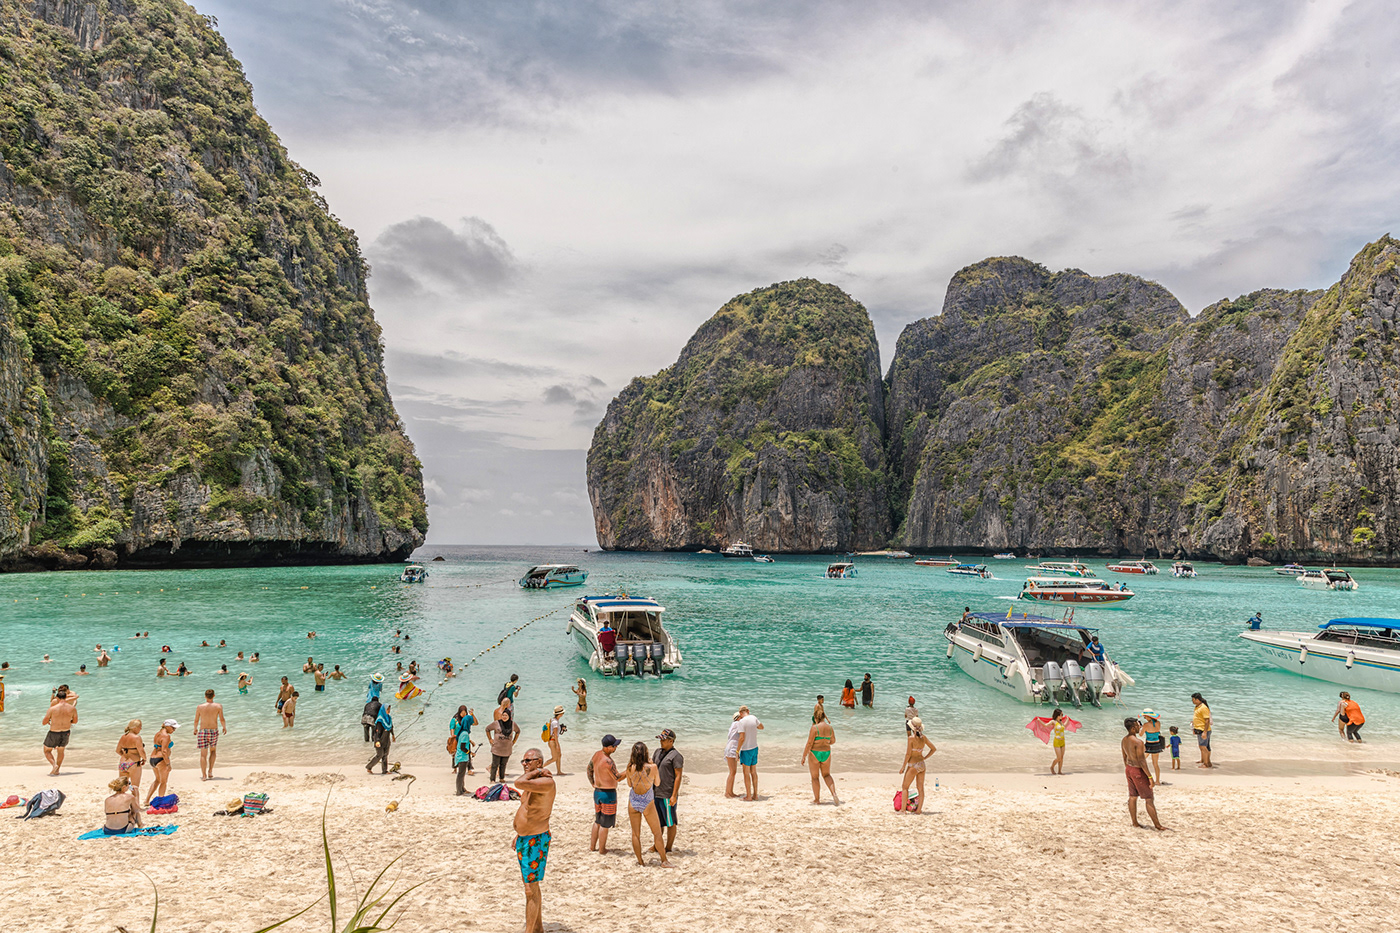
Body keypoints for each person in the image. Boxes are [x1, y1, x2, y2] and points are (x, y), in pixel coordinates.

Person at [513, 748, 557, 933]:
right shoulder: (534, 782)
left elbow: (517, 782)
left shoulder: (545, 782)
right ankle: (537, 928)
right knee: (530, 887)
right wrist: (519, 834)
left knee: (530, 890)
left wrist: (538, 771)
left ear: (539, 762)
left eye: (528, 761)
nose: (524, 764)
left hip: (535, 840)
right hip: (525, 839)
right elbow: (528, 809)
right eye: (523, 761)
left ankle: (530, 931)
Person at [623, 741, 670, 867]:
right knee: (657, 833)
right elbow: (657, 783)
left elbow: (629, 784)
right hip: (647, 801)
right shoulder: (653, 767)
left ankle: (640, 861)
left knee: (635, 834)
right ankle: (664, 860)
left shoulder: (629, 767)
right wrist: (650, 764)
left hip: (633, 800)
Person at [1122, 717, 1165, 830]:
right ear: (1132, 728)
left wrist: (1128, 769)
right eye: (1137, 725)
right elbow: (1142, 761)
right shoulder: (1139, 742)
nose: (1139, 726)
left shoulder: (1124, 740)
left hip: (1129, 769)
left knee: (1132, 796)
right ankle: (1158, 825)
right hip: (1137, 770)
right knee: (1149, 798)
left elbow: (1124, 757)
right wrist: (1150, 776)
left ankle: (1135, 822)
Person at [652, 729, 684, 850]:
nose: (661, 741)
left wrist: (674, 795)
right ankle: (656, 845)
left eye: (664, 739)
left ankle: (668, 846)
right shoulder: (657, 752)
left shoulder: (676, 756)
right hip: (655, 792)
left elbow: (678, 776)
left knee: (670, 822)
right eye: (660, 739)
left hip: (667, 793)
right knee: (658, 822)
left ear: (671, 741)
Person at [590, 735, 620, 854]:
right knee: (605, 824)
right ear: (608, 747)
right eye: (614, 746)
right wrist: (630, 770)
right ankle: (602, 849)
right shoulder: (608, 761)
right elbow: (617, 777)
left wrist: (593, 782)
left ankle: (592, 847)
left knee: (597, 820)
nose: (616, 748)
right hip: (608, 794)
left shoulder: (597, 755)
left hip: (597, 792)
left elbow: (589, 769)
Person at [898, 716, 936, 813]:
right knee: (920, 788)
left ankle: (903, 810)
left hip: (913, 765)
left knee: (905, 787)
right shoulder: (924, 738)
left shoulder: (911, 739)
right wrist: (925, 757)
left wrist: (903, 767)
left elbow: (908, 754)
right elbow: (933, 749)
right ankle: (919, 810)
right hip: (922, 764)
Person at [801, 712, 838, 805]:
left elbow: (809, 743)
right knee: (826, 775)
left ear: (816, 718)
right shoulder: (830, 728)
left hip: (815, 753)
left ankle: (817, 799)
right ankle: (834, 793)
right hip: (826, 753)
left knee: (815, 777)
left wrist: (804, 756)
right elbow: (833, 741)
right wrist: (825, 743)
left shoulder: (814, 728)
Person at [42, 686, 78, 775]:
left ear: (57, 698)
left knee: (47, 751)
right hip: (66, 732)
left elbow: (44, 722)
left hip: (54, 732)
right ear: (66, 697)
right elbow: (75, 721)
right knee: (61, 751)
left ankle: (54, 765)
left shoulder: (52, 709)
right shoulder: (72, 708)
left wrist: (51, 721)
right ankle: (57, 770)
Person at [193, 688, 226, 780]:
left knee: (203, 754)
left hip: (203, 731)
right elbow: (222, 719)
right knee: (213, 751)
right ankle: (210, 771)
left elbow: (196, 720)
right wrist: (224, 727)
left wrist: (195, 729)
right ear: (214, 696)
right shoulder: (218, 706)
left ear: (205, 696)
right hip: (213, 731)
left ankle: (204, 775)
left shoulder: (200, 707)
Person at [145, 719, 176, 806]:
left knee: (157, 780)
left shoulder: (157, 734)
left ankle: (147, 800)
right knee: (163, 782)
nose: (174, 730)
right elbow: (164, 752)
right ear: (167, 726)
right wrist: (168, 764)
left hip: (152, 759)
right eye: (173, 728)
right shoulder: (166, 736)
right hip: (161, 759)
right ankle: (161, 801)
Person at [735, 705, 763, 801]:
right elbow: (761, 727)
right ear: (748, 711)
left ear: (740, 713)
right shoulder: (754, 718)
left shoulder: (741, 722)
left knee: (746, 773)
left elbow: (742, 738)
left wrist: (737, 751)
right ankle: (755, 795)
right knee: (754, 772)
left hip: (746, 749)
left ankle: (749, 796)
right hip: (754, 747)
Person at [115, 719, 146, 801]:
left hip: (122, 763)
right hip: (134, 764)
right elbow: (141, 751)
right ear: (135, 728)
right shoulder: (137, 738)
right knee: (135, 787)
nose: (140, 729)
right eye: (140, 727)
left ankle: (120, 804)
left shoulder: (123, 737)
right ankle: (136, 807)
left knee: (121, 787)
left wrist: (125, 755)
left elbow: (117, 750)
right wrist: (144, 759)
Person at [451, 705, 477, 794]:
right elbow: (463, 747)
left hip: (460, 756)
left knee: (461, 774)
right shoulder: (465, 734)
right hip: (462, 757)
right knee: (461, 775)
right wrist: (471, 753)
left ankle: (462, 789)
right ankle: (459, 791)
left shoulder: (462, 732)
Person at [487, 714, 520, 782]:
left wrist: (514, 741)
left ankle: (501, 778)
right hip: (497, 748)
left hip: (507, 749)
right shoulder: (496, 723)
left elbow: (518, 731)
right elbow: (487, 729)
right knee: (494, 765)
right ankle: (492, 779)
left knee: (503, 764)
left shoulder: (512, 724)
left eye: (506, 715)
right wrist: (490, 739)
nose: (504, 717)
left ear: (509, 717)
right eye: (503, 715)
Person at [367, 703, 394, 774]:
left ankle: (384, 770)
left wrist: (393, 735)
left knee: (385, 755)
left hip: (387, 740)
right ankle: (369, 767)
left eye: (389, 709)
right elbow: (377, 732)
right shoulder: (380, 721)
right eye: (387, 709)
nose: (389, 711)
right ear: (383, 710)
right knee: (380, 755)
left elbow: (391, 727)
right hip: (379, 740)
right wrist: (377, 741)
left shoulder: (389, 718)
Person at [1142, 709, 1165, 783]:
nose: (1145, 718)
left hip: (1149, 745)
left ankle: (1144, 777)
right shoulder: (1158, 723)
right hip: (1157, 745)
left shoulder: (1146, 725)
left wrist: (1141, 728)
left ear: (1148, 717)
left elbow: (1140, 734)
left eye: (1145, 717)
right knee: (1155, 764)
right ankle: (1157, 781)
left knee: (1141, 760)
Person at [1190, 692, 1212, 768]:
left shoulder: (1203, 707)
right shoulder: (1197, 707)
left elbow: (1207, 720)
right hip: (1199, 729)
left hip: (1203, 730)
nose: (1192, 701)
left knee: (1203, 747)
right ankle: (1206, 761)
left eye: (1193, 699)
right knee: (1204, 746)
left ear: (1197, 699)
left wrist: (1205, 732)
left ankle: (1206, 763)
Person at [723, 712, 743, 798]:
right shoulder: (737, 724)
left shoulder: (734, 724)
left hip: (731, 747)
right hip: (732, 748)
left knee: (733, 771)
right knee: (732, 772)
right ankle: (727, 793)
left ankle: (730, 792)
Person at [546, 705, 567, 775]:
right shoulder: (555, 722)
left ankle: (559, 771)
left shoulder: (555, 721)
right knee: (554, 758)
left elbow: (555, 732)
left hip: (553, 740)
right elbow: (555, 735)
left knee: (559, 755)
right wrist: (557, 745)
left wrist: (561, 728)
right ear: (560, 714)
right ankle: (539, 768)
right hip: (553, 741)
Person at [1048, 708, 1069, 775]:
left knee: (1062, 758)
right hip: (1057, 741)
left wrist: (1067, 720)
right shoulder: (1053, 722)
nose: (1062, 716)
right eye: (1061, 714)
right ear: (1058, 715)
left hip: (1063, 741)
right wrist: (1039, 720)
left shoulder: (1061, 722)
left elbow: (1064, 726)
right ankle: (1052, 767)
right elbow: (1045, 725)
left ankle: (1059, 771)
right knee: (1059, 758)